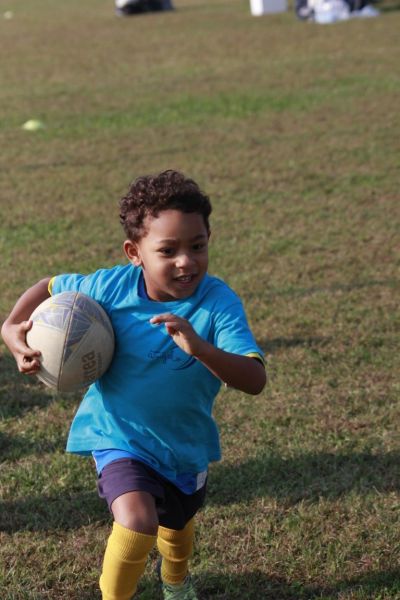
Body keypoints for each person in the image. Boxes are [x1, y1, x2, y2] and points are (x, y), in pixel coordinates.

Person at [1, 170, 266, 600]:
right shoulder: (108, 287)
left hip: (184, 442)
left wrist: (200, 348)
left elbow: (254, 380)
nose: (186, 261)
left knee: (177, 525)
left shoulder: (218, 303)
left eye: (197, 246)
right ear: (134, 252)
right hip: (118, 434)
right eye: (168, 250)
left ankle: (176, 580)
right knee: (137, 519)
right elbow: (49, 285)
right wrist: (11, 327)